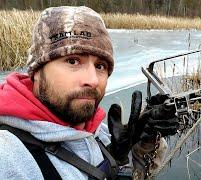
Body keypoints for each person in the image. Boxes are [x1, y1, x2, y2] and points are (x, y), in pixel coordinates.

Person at [0, 6, 179, 180]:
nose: (93, 80)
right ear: (37, 71)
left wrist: (137, 147)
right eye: (73, 61)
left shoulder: (96, 130)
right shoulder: (9, 155)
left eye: (100, 66)